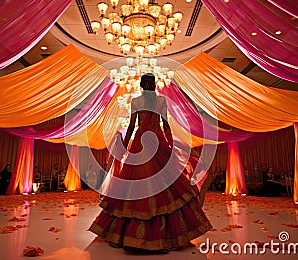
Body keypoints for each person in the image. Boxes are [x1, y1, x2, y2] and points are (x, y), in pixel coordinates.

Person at [88, 73, 212, 252]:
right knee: (161, 183)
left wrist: (125, 145)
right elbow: (164, 125)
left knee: (139, 183)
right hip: (156, 139)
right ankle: (163, 234)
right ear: (153, 85)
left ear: (142, 85)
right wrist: (168, 144)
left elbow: (134, 126)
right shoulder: (160, 101)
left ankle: (127, 234)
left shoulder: (137, 101)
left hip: (142, 141)